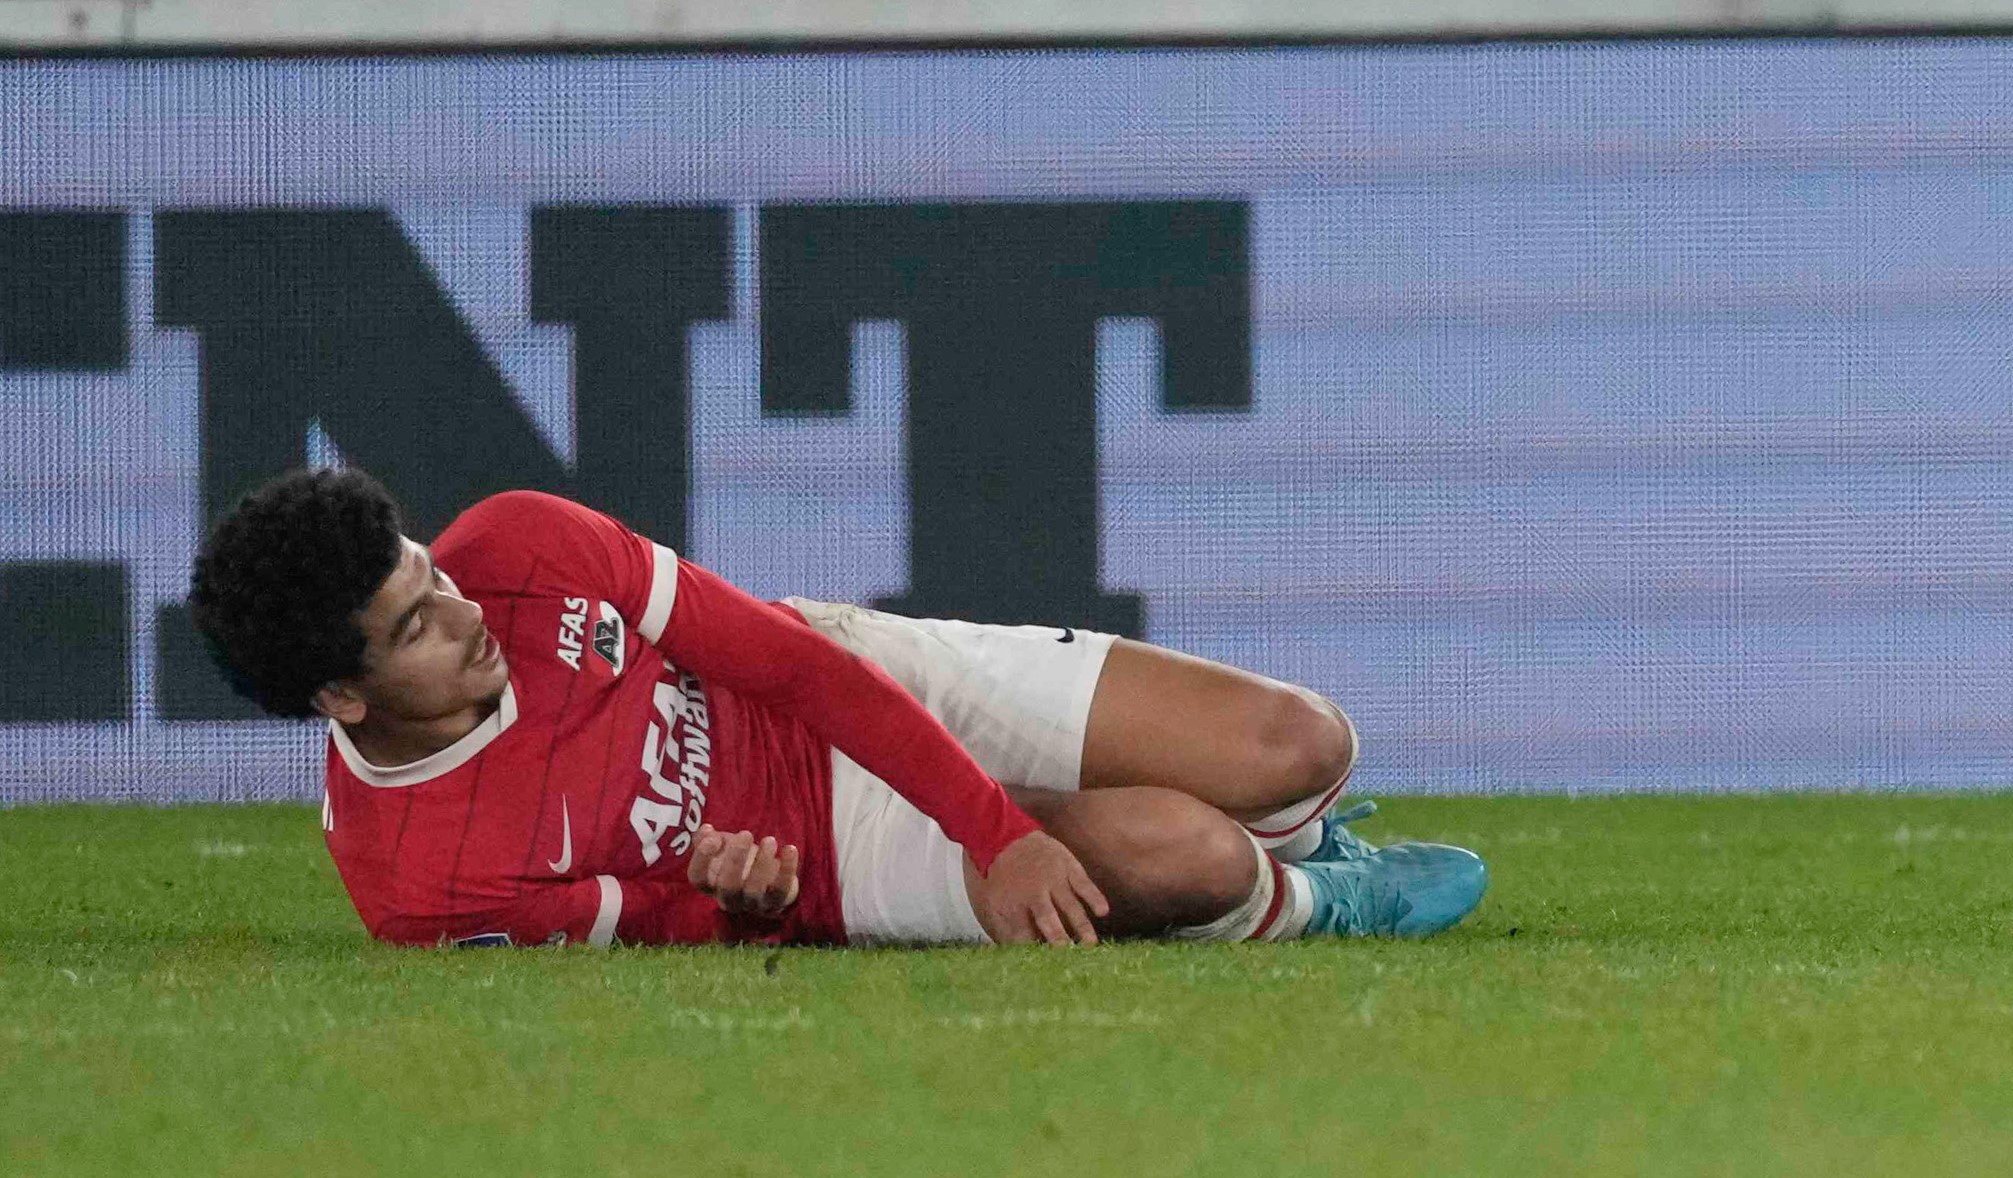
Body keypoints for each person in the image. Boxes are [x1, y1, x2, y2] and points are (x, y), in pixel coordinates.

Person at [183, 467, 1487, 948]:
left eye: (431, 572)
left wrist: (999, 832)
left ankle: (1307, 832)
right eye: (415, 624)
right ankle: (1313, 902)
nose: (463, 609)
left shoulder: (522, 541)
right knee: (1194, 854)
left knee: (1296, 742)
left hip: (839, 676)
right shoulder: (420, 882)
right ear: (340, 693)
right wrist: (742, 901)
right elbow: (664, 922)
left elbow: (790, 666)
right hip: (835, 858)